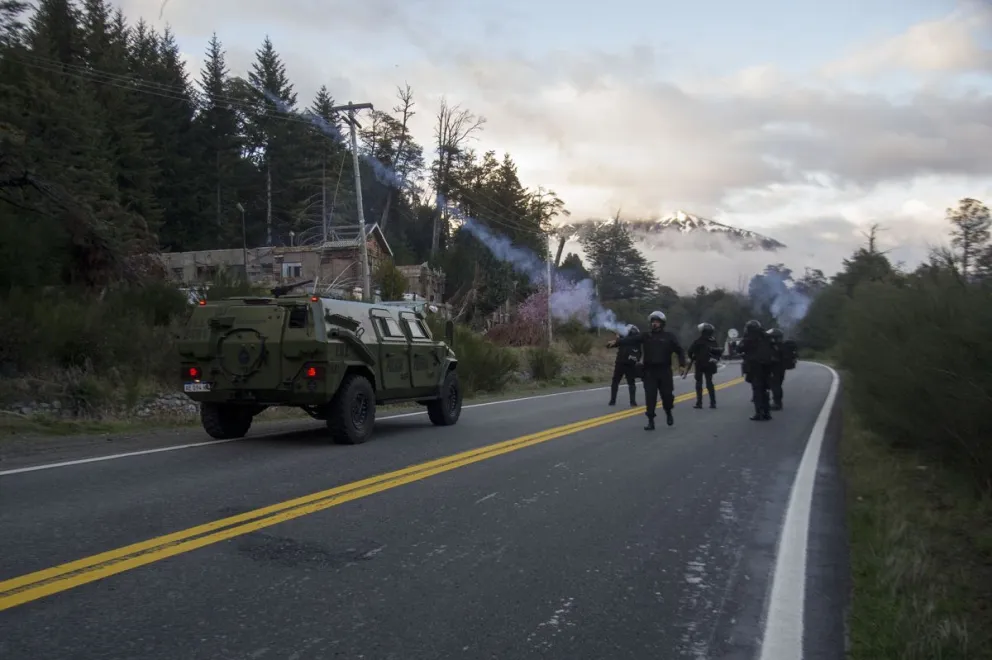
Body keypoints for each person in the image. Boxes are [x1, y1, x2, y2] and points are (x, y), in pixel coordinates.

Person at [608, 311, 686, 430]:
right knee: (650, 397)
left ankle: (668, 412)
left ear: (662, 323)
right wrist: (617, 342)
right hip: (650, 372)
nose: (654, 324)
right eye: (653, 322)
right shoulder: (646, 336)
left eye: (657, 322)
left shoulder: (669, 336)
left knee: (667, 396)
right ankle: (650, 421)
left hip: (665, 371)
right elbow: (631, 340)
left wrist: (682, 365)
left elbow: (680, 351)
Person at [737, 319, 773, 420]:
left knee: (757, 390)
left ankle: (759, 413)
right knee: (765, 389)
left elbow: (739, 348)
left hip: (755, 367)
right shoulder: (766, 336)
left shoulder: (749, 338)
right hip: (767, 366)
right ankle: (767, 412)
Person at [687, 322, 721, 409]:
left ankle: (699, 403)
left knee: (699, 383)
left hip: (700, 364)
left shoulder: (698, 341)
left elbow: (690, 351)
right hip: (710, 364)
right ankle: (713, 403)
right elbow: (718, 352)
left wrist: (693, 357)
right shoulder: (713, 341)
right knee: (710, 383)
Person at [609, 324, 641, 407]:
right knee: (626, 382)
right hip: (624, 364)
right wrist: (614, 341)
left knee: (624, 382)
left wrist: (617, 339)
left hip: (625, 364)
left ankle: (615, 401)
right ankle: (630, 402)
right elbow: (609, 345)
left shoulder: (626, 340)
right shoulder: (627, 340)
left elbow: (639, 354)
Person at [766, 328, 785, 410]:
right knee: (778, 385)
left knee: (775, 385)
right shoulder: (782, 345)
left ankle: (777, 403)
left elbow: (773, 358)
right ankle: (778, 402)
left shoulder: (775, 347)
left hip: (775, 368)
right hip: (781, 368)